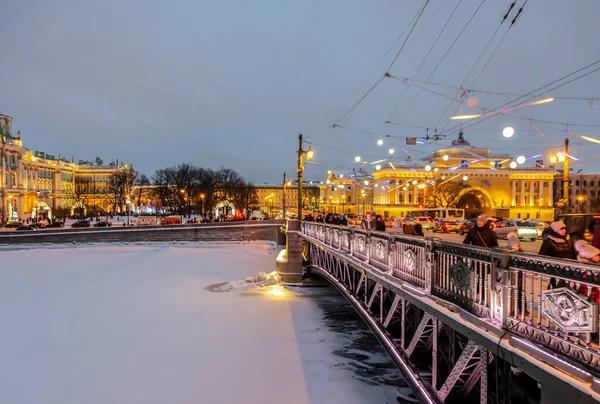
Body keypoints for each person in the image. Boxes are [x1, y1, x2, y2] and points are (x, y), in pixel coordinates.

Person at [539, 221, 574, 289]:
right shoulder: (549, 241)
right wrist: (539, 267)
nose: (564, 230)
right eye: (561, 229)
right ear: (555, 230)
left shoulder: (569, 240)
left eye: (565, 228)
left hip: (568, 268)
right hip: (554, 269)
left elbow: (573, 254)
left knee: (565, 287)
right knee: (557, 287)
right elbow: (542, 255)